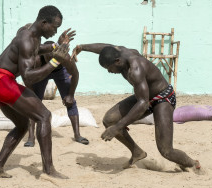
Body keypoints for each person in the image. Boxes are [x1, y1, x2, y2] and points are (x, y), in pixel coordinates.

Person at [71, 43, 201, 173]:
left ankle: (192, 164)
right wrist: (82, 47)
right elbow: (105, 48)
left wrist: (118, 127)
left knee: (166, 150)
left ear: (117, 61)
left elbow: (143, 104)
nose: (109, 72)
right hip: (144, 97)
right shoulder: (120, 52)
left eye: (109, 68)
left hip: (162, 98)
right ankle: (136, 152)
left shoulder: (135, 70)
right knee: (109, 120)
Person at [0, 5, 75, 179]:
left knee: (23, 125)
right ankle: (48, 170)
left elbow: (36, 51)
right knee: (44, 116)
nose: (56, 31)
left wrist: (57, 45)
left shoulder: (33, 37)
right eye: (55, 27)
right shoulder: (27, 38)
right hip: (2, 81)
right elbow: (28, 76)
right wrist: (55, 62)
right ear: (44, 22)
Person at [24, 40, 89, 147]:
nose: (52, 64)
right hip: (41, 71)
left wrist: (71, 95)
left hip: (61, 72)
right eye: (50, 61)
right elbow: (27, 78)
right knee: (33, 103)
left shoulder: (64, 57)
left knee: (71, 102)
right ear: (42, 55)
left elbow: (75, 74)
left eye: (55, 61)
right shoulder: (35, 61)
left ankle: (77, 135)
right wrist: (31, 96)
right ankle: (31, 137)